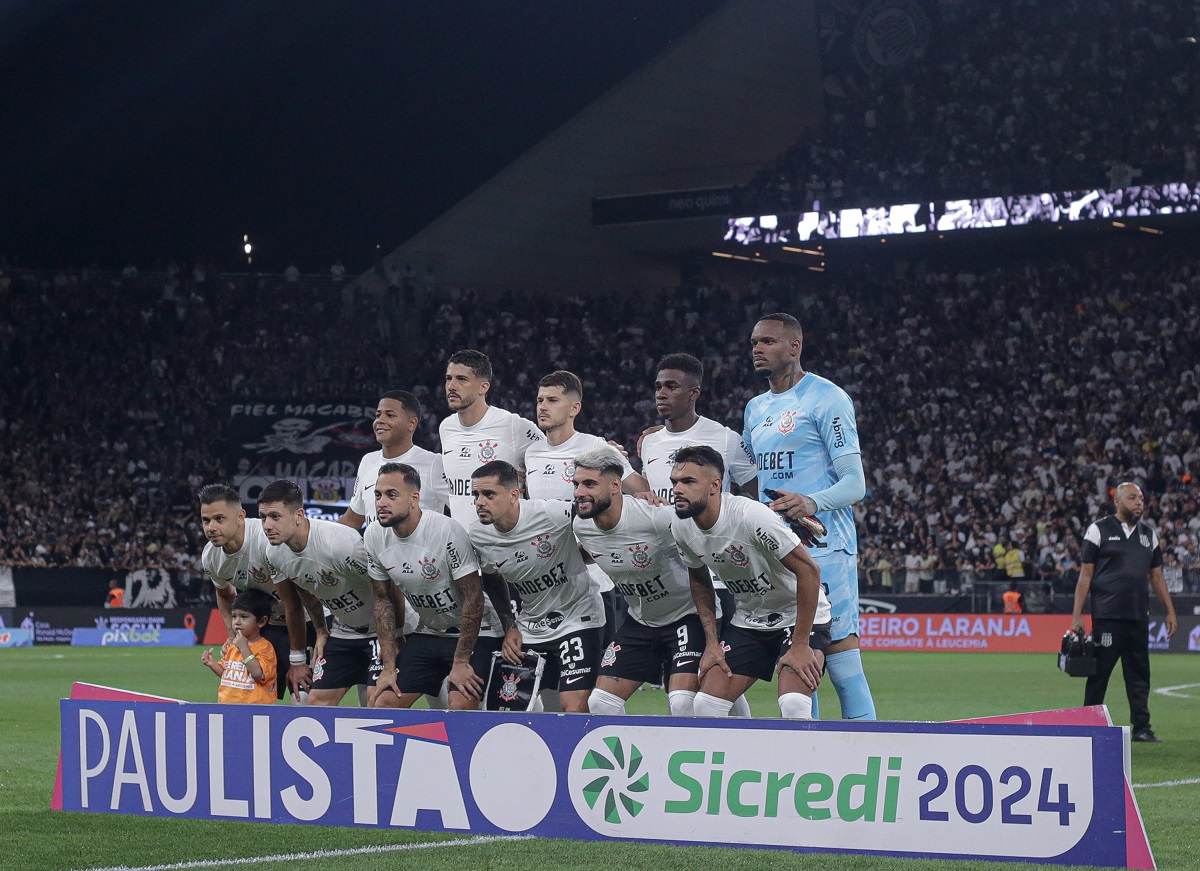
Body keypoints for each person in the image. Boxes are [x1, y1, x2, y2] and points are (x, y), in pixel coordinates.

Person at [744, 312, 876, 721]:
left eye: (767, 341)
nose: (758, 350)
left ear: (794, 346)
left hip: (826, 548)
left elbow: (856, 484)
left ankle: (871, 762)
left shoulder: (828, 398)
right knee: (799, 663)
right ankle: (814, 766)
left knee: (840, 663)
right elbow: (750, 480)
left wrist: (810, 502)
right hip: (778, 553)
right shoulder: (754, 409)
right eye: (754, 343)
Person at [670, 446, 830, 719]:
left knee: (793, 705)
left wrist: (801, 644)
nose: (677, 489)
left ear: (714, 486)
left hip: (798, 617)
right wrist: (711, 643)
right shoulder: (682, 525)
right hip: (749, 621)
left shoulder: (750, 516)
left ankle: (803, 761)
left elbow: (810, 572)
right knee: (706, 706)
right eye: (675, 481)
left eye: (688, 482)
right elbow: (699, 581)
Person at [640, 352, 759, 718]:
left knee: (709, 678)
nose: (661, 393)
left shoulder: (724, 438)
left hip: (715, 576)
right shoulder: (647, 442)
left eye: (671, 386)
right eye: (658, 386)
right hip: (669, 577)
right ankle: (740, 739)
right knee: (713, 680)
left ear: (694, 392)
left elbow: (752, 494)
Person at [572, 446, 707, 717]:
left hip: (686, 616)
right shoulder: (582, 526)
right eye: (576, 484)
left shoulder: (654, 516)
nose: (579, 493)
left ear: (614, 486)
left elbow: (701, 550)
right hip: (641, 622)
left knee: (683, 703)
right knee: (600, 703)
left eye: (589, 484)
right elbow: (592, 554)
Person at [468, 460, 604, 713]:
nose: (479, 502)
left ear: (514, 495)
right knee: (506, 705)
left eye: (488, 494)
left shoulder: (551, 513)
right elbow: (491, 578)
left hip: (578, 616)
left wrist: (637, 500)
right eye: (475, 495)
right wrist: (510, 627)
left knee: (573, 706)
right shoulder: (479, 534)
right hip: (531, 624)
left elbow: (597, 510)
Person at [364, 462, 502, 710]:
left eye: (391, 495)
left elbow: (473, 597)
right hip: (428, 632)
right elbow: (382, 600)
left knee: (459, 706)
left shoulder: (446, 530)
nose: (381, 502)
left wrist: (460, 662)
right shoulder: (373, 535)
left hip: (478, 634)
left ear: (414, 498)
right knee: (382, 703)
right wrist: (388, 666)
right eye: (378, 495)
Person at [259, 479, 400, 707]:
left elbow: (387, 586)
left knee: (376, 702)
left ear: (298, 515)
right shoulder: (274, 553)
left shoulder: (339, 544)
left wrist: (396, 634)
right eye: (263, 517)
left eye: (275, 517)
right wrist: (321, 630)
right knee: (316, 702)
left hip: (379, 631)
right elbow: (305, 590)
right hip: (344, 632)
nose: (267, 525)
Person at [1071, 482, 1178, 742]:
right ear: (1117, 502)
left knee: (1139, 675)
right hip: (1107, 616)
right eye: (1132, 498)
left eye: (1141, 498)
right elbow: (1086, 574)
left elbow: (1157, 576)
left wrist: (1170, 611)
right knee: (1099, 674)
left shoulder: (1148, 534)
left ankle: (1142, 728)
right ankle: (1088, 725)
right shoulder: (1098, 530)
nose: (1139, 503)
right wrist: (1077, 615)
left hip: (1138, 616)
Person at [200, 483, 312, 700]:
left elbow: (293, 603)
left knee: (303, 695)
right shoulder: (211, 557)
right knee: (250, 688)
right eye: (206, 520)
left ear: (241, 516)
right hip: (268, 624)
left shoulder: (265, 541)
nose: (211, 527)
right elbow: (224, 595)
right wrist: (234, 637)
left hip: (305, 620)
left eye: (219, 519)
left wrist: (297, 660)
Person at [439, 350, 543, 527]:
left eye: (461, 379)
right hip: (463, 543)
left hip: (504, 543)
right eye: (449, 378)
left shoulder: (512, 425)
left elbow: (554, 452)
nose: (452, 386)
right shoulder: (446, 427)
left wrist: (533, 479)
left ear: (483, 387)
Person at [340, 390, 448, 529]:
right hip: (375, 551)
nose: (380, 420)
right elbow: (352, 521)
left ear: (412, 423)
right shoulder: (368, 461)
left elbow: (462, 510)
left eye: (390, 415)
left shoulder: (434, 464)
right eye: (378, 415)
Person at [200, 588, 279, 704]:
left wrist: (244, 648)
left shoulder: (265, 647)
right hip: (228, 705)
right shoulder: (233, 645)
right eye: (234, 616)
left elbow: (258, 673)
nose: (237, 621)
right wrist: (212, 664)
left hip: (254, 710)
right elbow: (226, 673)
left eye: (244, 617)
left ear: (261, 621)